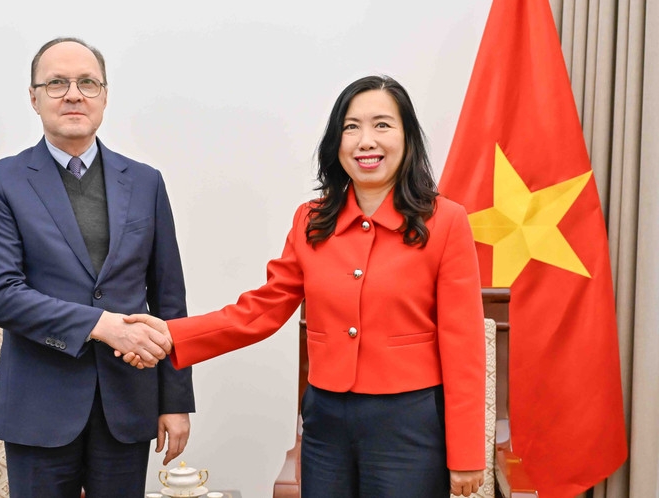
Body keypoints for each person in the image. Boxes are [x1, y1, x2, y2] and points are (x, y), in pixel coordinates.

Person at [124, 75, 486, 497]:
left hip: (408, 424)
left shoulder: (445, 221)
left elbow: (463, 345)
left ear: (407, 138)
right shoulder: (312, 220)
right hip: (324, 422)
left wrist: (465, 454)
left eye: (382, 125)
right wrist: (169, 334)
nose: (365, 140)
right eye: (351, 127)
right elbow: (262, 309)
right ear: (336, 141)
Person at [0, 37, 194, 498]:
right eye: (56, 83)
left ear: (105, 96)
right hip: (40, 407)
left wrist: (175, 401)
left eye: (87, 83)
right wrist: (102, 325)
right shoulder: (1, 181)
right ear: (33, 98)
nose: (74, 94)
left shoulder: (146, 182)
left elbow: (169, 298)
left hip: (128, 405)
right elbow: (3, 296)